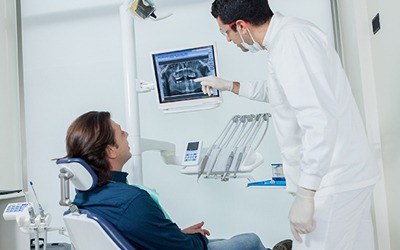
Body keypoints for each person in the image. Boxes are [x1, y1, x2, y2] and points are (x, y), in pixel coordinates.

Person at [194, 1, 380, 249]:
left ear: (241, 25)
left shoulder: (291, 42)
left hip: (332, 182)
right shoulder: (285, 38)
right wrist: (230, 86)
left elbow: (319, 120)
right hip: (341, 178)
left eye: (225, 32)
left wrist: (307, 193)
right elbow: (279, 91)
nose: (228, 39)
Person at [64, 111, 291, 250]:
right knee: (250, 241)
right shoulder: (131, 200)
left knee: (222, 241)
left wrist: (176, 236)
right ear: (111, 151)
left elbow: (136, 235)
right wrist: (189, 241)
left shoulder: (86, 197)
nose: (126, 135)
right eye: (120, 132)